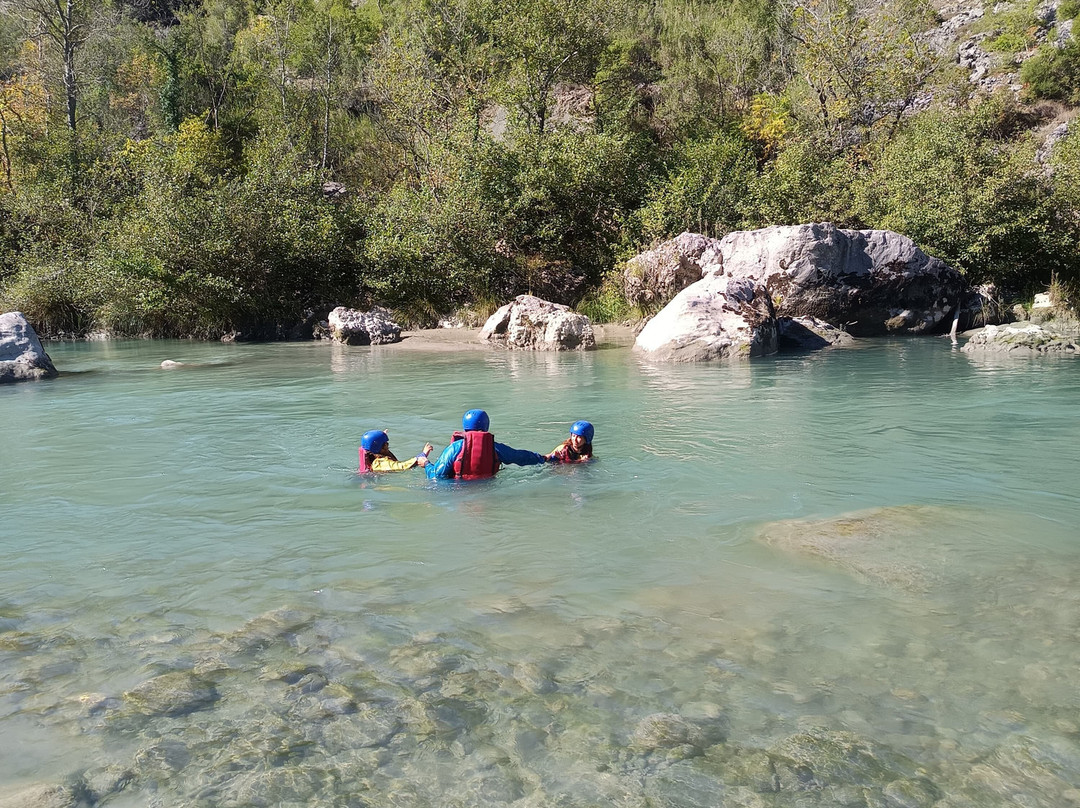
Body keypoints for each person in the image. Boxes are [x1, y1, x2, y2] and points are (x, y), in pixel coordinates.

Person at [425, 409, 547, 480]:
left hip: (458, 492)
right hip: (488, 488)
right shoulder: (495, 448)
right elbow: (520, 457)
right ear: (486, 426)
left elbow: (437, 476)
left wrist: (426, 464)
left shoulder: (455, 448)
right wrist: (542, 458)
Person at [358, 429, 433, 473]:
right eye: (386, 443)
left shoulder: (374, 455)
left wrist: (381, 437)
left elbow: (374, 444)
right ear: (382, 447)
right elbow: (401, 466)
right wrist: (421, 456)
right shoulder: (381, 463)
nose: (388, 444)